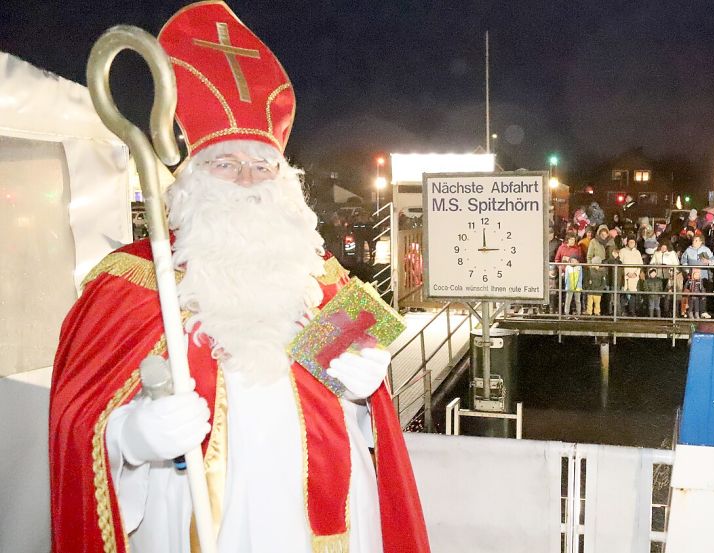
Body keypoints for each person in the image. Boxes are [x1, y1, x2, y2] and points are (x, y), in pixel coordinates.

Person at [49, 4, 430, 553]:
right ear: (190, 181)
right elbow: (74, 418)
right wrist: (130, 438)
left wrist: (364, 392)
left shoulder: (320, 276)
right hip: (188, 517)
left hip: (322, 522)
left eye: (263, 166)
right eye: (225, 165)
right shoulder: (133, 282)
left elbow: (368, 420)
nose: (248, 181)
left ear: (286, 182)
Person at [680, 235, 714, 319]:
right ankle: (691, 312)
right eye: (693, 240)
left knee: (702, 293)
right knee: (692, 294)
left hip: (703, 275)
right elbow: (683, 261)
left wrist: (708, 261)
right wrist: (688, 271)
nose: (694, 242)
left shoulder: (706, 250)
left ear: (700, 242)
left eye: (696, 240)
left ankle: (702, 311)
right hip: (692, 276)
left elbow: (713, 261)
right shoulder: (688, 250)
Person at [619, 238, 645, 316]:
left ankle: (632, 311)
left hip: (634, 276)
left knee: (633, 294)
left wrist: (636, 273)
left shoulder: (637, 252)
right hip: (625, 275)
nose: (631, 243)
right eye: (630, 242)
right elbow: (620, 263)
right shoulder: (622, 251)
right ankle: (623, 311)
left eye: (633, 242)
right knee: (624, 293)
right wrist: (627, 273)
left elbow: (640, 264)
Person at [603, 247, 623, 315]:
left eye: (617, 253)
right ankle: (611, 312)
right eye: (615, 253)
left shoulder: (620, 263)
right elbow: (606, 274)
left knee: (616, 299)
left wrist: (622, 284)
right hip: (611, 283)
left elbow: (622, 274)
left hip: (617, 283)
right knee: (611, 299)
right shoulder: (608, 262)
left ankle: (617, 313)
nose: (616, 254)